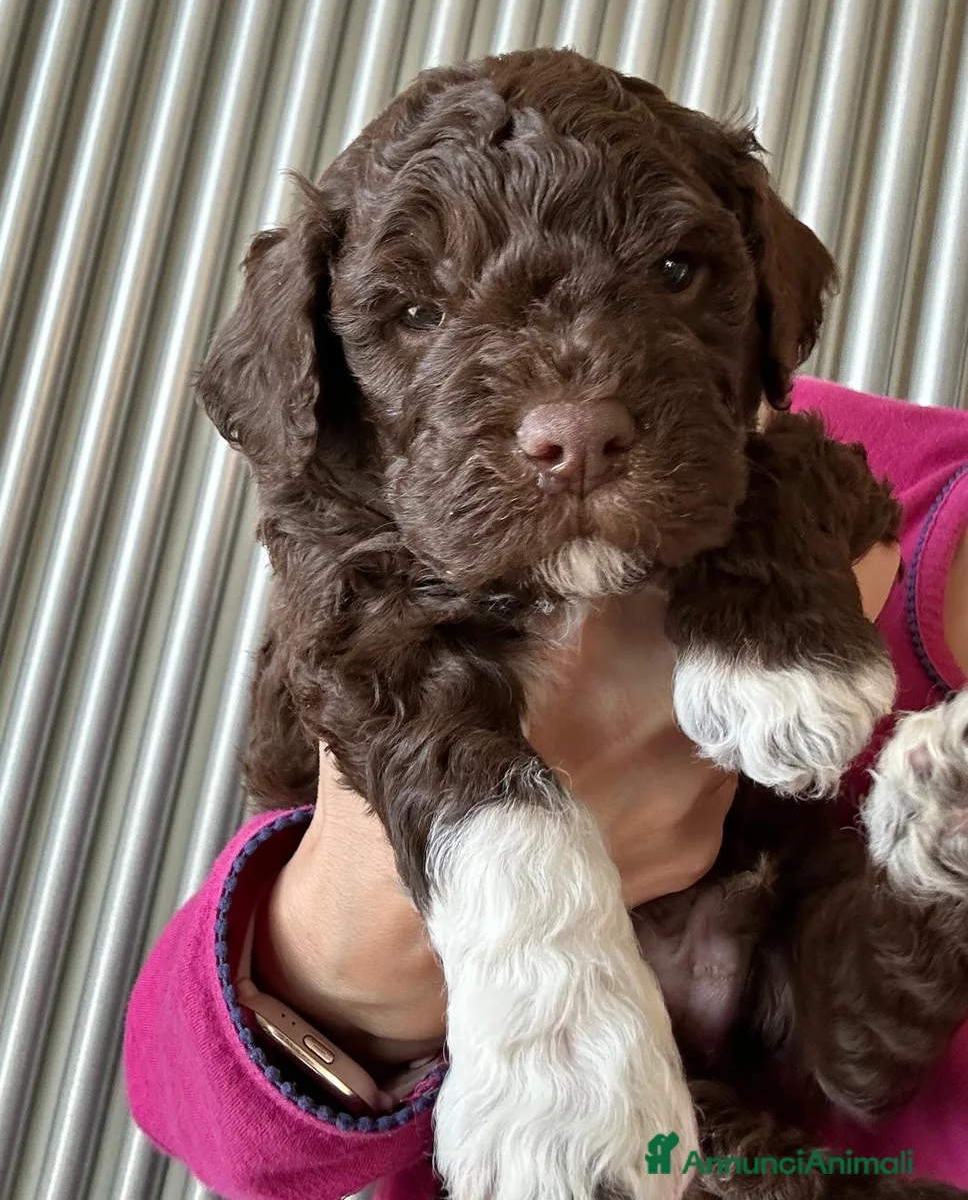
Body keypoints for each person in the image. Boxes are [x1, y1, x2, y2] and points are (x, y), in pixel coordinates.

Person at [125, 377, 968, 1200]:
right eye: (421, 312)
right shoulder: (727, 432)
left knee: (835, 1017)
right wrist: (365, 953)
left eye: (671, 272)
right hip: (535, 1078)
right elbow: (192, 1105)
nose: (567, 419)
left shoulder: (775, 472)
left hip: (799, 977)